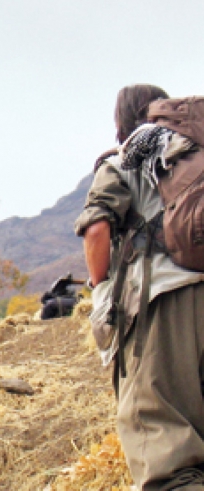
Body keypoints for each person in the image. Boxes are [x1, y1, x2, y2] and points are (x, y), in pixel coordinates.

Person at [75, 84, 204, 490]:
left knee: (165, 449)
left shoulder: (126, 160)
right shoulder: (196, 153)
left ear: (120, 123)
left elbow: (97, 229)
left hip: (163, 306)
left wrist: (100, 289)